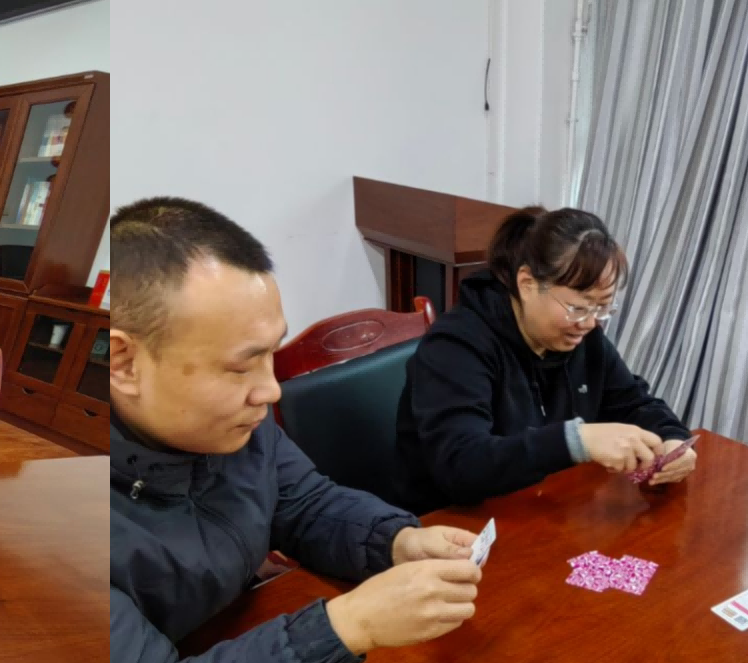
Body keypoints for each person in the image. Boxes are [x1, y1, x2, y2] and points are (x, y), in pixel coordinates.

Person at [113, 197, 485, 662]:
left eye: (271, 354)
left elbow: (304, 503)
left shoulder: (229, 426)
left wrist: (396, 541)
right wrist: (350, 625)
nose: (270, 391)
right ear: (124, 363)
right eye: (240, 367)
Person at [390, 206, 695, 513]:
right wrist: (576, 442)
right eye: (578, 308)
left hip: (546, 506)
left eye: (602, 308)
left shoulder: (583, 337)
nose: (590, 323)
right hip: (450, 523)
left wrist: (673, 439)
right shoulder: (456, 345)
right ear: (527, 284)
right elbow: (461, 466)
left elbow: (633, 402)